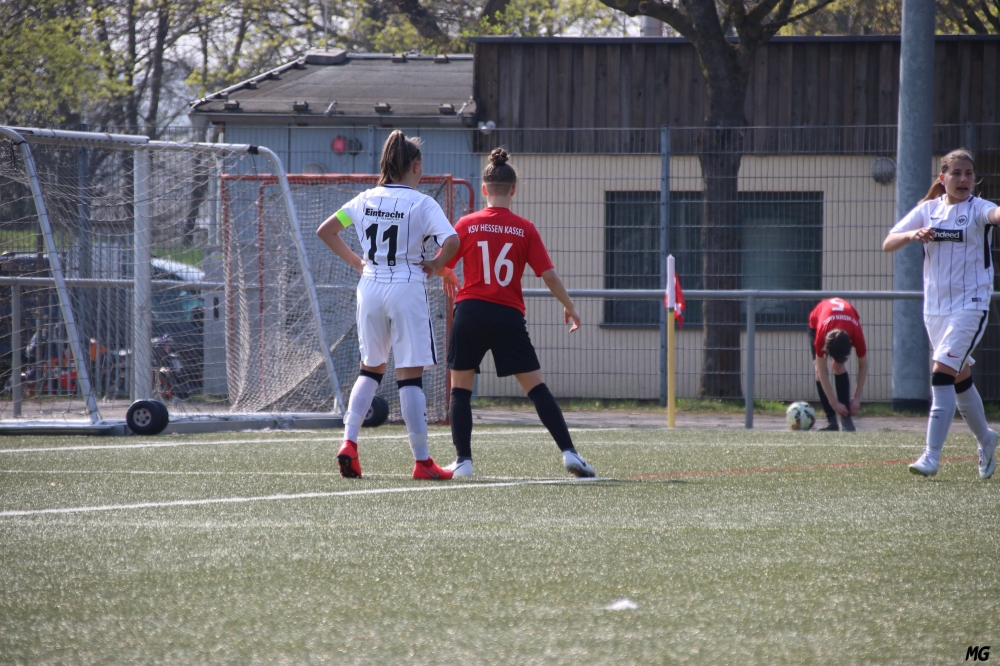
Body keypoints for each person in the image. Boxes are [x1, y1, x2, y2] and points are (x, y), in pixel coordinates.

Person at [420, 148, 596, 478]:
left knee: (460, 389)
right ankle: (570, 453)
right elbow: (549, 275)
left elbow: (440, 263)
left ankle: (463, 462)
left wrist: (447, 272)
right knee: (537, 388)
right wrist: (569, 306)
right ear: (514, 189)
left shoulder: (466, 224)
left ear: (483, 188)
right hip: (507, 315)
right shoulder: (524, 228)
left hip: (470, 312)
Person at [317, 130, 461, 481]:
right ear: (416, 166)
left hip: (370, 287)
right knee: (410, 375)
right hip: (406, 286)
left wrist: (357, 263)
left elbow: (326, 230)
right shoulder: (421, 203)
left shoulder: (364, 199)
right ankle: (422, 462)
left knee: (370, 369)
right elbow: (453, 241)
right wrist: (437, 265)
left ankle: (349, 442)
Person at [882, 148, 1000, 478]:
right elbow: (888, 242)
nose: (963, 179)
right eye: (956, 173)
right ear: (943, 177)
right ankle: (986, 438)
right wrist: (912, 234)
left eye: (968, 173)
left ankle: (931, 456)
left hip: (971, 306)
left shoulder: (978, 208)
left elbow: (995, 215)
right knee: (959, 378)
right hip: (935, 309)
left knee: (942, 372)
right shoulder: (928, 210)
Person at [807, 298, 868, 432]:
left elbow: (863, 366)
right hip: (817, 321)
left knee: (837, 366)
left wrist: (856, 398)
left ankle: (846, 417)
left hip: (846, 321)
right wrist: (834, 403)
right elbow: (822, 372)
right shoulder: (821, 337)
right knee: (818, 370)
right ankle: (831, 420)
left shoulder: (856, 333)